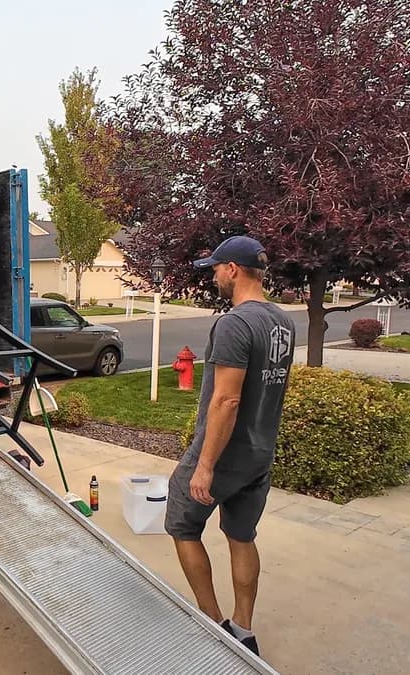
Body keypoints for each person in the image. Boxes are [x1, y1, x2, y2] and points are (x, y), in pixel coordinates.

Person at [164, 235, 295, 657]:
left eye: (217, 269)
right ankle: (244, 629)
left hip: (223, 455)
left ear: (234, 270)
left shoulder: (234, 323)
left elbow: (227, 399)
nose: (215, 276)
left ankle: (212, 623)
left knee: (182, 525)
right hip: (260, 454)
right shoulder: (283, 322)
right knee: (241, 535)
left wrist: (205, 467)